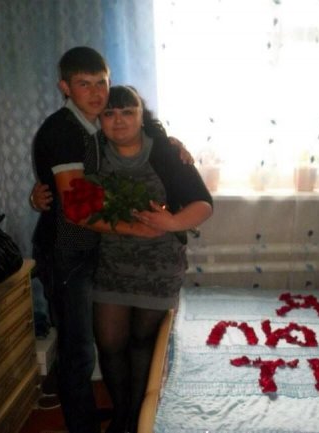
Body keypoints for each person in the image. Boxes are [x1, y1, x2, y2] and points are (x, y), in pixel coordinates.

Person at [30, 47, 192, 433]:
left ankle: (112, 418)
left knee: (98, 345)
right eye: (83, 84)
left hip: (96, 251)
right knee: (79, 352)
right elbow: (79, 210)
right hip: (68, 252)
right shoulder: (64, 132)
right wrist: (142, 228)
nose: (96, 93)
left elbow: (141, 132)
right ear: (65, 87)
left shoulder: (98, 127)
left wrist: (170, 144)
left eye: (100, 82)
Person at [89, 85, 213, 433]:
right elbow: (72, 197)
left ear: (142, 116)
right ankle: (124, 413)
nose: (119, 120)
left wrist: (171, 222)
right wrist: (39, 197)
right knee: (109, 343)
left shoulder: (165, 153)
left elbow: (203, 203)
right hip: (111, 266)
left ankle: (135, 418)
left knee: (143, 343)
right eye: (110, 113)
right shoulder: (92, 153)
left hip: (159, 269)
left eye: (127, 112)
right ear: (100, 119)